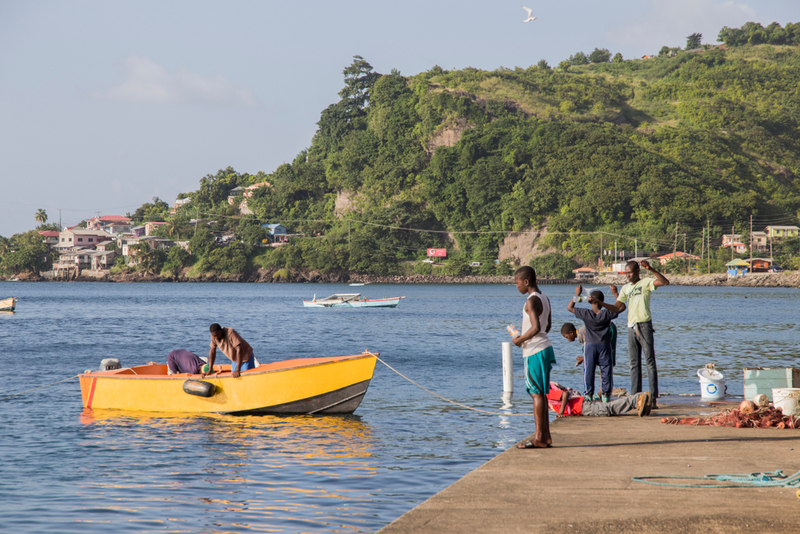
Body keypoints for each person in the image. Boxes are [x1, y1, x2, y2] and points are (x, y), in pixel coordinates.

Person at [603, 259, 669, 409]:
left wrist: (651, 269)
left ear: (638, 271)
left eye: (630, 272)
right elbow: (617, 308)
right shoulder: (625, 288)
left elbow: (665, 282)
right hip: (630, 327)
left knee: (650, 362)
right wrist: (601, 304)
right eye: (626, 273)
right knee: (634, 364)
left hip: (644, 325)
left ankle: (652, 398)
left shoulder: (645, 282)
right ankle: (635, 398)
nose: (628, 275)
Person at [511, 266, 556, 449]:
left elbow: (536, 327)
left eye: (517, 282)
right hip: (545, 348)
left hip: (534, 351)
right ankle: (546, 436)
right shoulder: (545, 298)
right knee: (542, 394)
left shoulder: (530, 301)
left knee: (536, 393)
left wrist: (520, 340)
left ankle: (539, 438)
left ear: (526, 281)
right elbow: (548, 326)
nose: (516, 286)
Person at [566, 286, 618, 403]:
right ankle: (605, 395)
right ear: (602, 301)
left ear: (590, 300)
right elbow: (619, 308)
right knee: (606, 370)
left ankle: (588, 395)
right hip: (604, 345)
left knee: (589, 370)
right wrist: (615, 294)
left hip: (589, 345)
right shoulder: (606, 314)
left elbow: (569, 307)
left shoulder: (585, 313)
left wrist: (577, 294)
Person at [546, 382, 652, 417]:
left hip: (581, 406)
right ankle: (641, 401)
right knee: (607, 408)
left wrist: (560, 413)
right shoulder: (547, 389)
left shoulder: (545, 393)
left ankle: (637, 399)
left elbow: (564, 394)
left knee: (608, 409)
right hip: (581, 403)